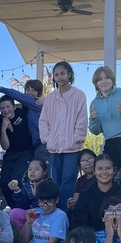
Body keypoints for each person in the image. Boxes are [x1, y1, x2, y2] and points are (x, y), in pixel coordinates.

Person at [39, 61, 88, 209]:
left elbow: (82, 119)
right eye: (56, 74)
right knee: (55, 179)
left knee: (68, 179)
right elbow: (43, 120)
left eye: (62, 73)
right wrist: (47, 139)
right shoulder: (51, 98)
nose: (59, 77)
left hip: (71, 147)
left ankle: (66, 212)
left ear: (69, 74)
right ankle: (54, 211)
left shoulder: (78, 95)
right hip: (54, 146)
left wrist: (77, 138)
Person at [3, 179, 70, 243]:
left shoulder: (59, 215)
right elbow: (23, 241)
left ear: (57, 200)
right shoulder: (35, 213)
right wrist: (28, 223)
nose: (45, 206)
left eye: (49, 202)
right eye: (42, 202)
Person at [71, 153, 121, 230]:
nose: (104, 172)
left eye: (108, 168)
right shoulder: (86, 194)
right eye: (99, 168)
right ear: (94, 171)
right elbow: (78, 222)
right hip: (91, 238)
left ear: (114, 170)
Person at [0, 77, 48, 163]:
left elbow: (19, 96)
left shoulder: (37, 103)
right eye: (28, 90)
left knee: (44, 171)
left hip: (43, 143)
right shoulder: (25, 108)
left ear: (39, 92)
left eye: (34, 90)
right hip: (36, 145)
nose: (30, 93)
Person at [0, 94, 34, 205]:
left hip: (25, 152)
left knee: (16, 181)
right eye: (2, 108)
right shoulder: (1, 121)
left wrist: (20, 105)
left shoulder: (21, 112)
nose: (5, 110)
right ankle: (14, 208)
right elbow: (5, 146)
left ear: (13, 107)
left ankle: (24, 206)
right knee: (4, 183)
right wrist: (3, 128)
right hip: (10, 154)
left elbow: (29, 101)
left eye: (8, 106)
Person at [7, 158, 49, 232]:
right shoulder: (26, 186)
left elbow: (48, 205)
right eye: (30, 169)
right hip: (30, 213)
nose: (32, 171)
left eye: (36, 169)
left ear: (44, 172)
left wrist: (35, 196)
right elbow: (22, 205)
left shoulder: (49, 185)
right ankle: (28, 235)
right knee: (13, 213)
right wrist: (17, 191)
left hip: (45, 213)